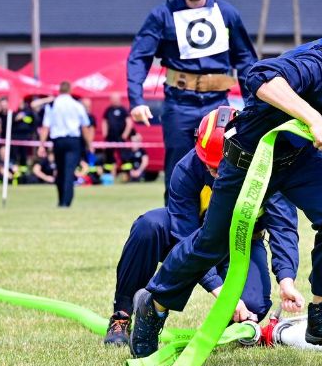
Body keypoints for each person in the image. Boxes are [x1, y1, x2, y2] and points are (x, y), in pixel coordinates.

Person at [130, 0, 322, 357]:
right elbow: (259, 76)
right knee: (212, 245)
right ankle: (153, 304)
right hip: (249, 157)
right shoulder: (317, 63)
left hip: (297, 158)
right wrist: (317, 122)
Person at [104, 107, 301, 346]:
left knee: (253, 307)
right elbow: (185, 237)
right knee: (149, 226)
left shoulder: (269, 169)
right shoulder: (186, 169)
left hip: (240, 243)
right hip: (193, 238)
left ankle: (226, 328)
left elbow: (283, 228)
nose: (217, 174)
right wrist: (220, 291)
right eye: (211, 166)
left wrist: (286, 280)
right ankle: (122, 315)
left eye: (223, 166)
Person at [127, 0, 258, 192]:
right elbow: (138, 57)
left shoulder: (227, 14)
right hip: (178, 105)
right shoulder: (161, 15)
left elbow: (245, 60)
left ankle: (215, 218)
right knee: (178, 174)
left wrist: (254, 105)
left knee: (221, 171)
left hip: (218, 106)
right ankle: (176, 219)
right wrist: (136, 100)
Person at [41, 82, 89, 208]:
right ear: (70, 90)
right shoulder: (76, 104)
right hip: (73, 140)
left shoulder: (52, 105)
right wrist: (89, 144)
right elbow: (85, 126)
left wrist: (41, 144)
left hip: (58, 141)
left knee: (60, 170)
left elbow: (45, 127)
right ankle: (66, 201)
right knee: (69, 170)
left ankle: (61, 199)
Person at [98, 92, 131, 176]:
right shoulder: (108, 110)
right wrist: (105, 133)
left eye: (116, 99)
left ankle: (126, 174)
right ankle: (108, 174)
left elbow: (129, 122)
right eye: (113, 99)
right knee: (109, 156)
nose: (114, 101)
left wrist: (125, 134)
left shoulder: (123, 110)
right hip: (110, 137)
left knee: (124, 156)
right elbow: (104, 122)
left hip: (120, 137)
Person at [9, 96, 41, 170]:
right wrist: (16, 119)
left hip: (26, 137)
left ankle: (23, 171)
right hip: (15, 137)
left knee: (24, 155)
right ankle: (14, 170)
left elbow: (34, 122)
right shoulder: (13, 111)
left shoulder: (29, 111)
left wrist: (24, 118)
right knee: (14, 155)